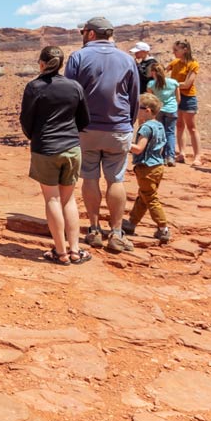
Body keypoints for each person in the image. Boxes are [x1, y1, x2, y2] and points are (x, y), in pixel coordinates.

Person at [64, 16, 140, 254]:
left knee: (90, 177)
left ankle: (94, 229)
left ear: (92, 34)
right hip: (118, 128)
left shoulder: (78, 57)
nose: (82, 36)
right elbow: (135, 96)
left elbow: (70, 94)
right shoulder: (127, 59)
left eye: (83, 32)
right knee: (116, 179)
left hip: (86, 129)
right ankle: (117, 232)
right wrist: (128, 123)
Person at [20, 45, 92, 265]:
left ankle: (60, 253)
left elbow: (26, 120)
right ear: (61, 65)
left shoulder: (34, 87)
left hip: (45, 148)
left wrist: (36, 137)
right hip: (71, 147)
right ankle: (76, 251)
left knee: (52, 198)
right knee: (69, 199)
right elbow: (84, 119)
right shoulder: (74, 86)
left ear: (42, 63)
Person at [125, 92, 172, 243]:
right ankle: (131, 223)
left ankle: (163, 227)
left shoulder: (145, 128)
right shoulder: (159, 125)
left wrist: (122, 144)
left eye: (139, 108)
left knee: (150, 198)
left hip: (146, 167)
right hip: (157, 166)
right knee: (144, 196)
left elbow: (139, 149)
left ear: (148, 111)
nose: (136, 110)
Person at [168, 39, 201, 165]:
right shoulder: (175, 62)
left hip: (188, 98)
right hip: (175, 97)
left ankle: (197, 156)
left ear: (185, 50)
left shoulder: (193, 64)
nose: (173, 52)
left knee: (192, 127)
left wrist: (170, 84)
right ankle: (182, 153)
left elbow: (187, 84)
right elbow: (163, 71)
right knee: (179, 125)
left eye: (176, 50)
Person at [147, 61, 180, 166]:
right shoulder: (174, 82)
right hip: (171, 110)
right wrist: (174, 106)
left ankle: (158, 156)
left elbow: (150, 100)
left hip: (159, 110)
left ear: (153, 73)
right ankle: (170, 157)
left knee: (159, 133)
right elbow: (178, 99)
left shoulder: (151, 84)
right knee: (170, 133)